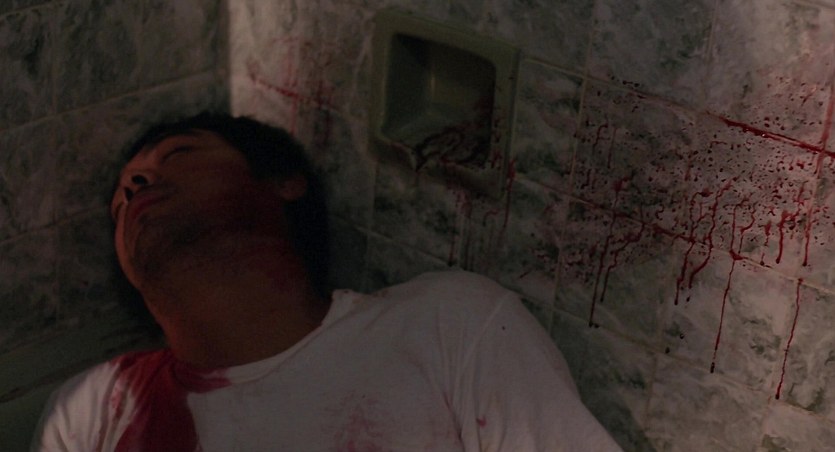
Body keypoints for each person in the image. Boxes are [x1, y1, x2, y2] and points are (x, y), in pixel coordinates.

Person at [32, 113, 623, 451]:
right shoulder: (93, 411)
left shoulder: (448, 324)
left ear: (283, 182)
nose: (135, 186)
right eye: (122, 197)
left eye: (177, 155)